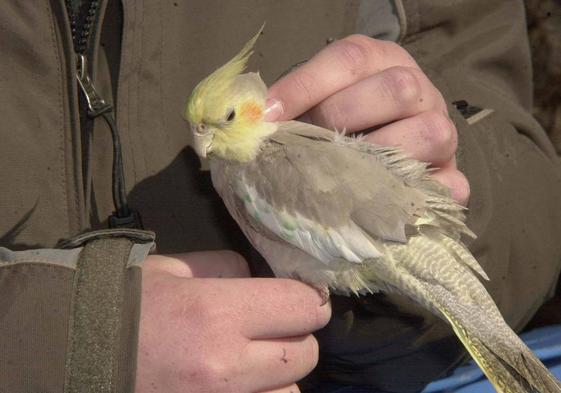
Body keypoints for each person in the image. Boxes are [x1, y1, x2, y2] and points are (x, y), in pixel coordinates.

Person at [1, 1, 560, 393]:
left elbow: (524, 182)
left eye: (221, 122)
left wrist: (464, 166)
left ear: (252, 109)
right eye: (199, 127)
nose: (205, 141)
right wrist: (63, 341)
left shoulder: (260, 169)